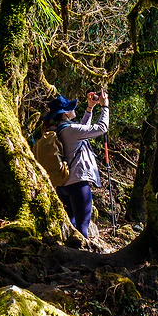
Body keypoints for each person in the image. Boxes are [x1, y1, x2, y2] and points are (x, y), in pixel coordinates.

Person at [42, 89, 109, 238]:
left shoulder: (58, 129)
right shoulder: (71, 130)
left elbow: (83, 133)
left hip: (62, 185)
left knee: (71, 225)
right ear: (65, 113)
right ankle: (81, 256)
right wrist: (105, 107)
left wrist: (90, 108)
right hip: (78, 184)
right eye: (71, 108)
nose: (74, 109)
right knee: (82, 226)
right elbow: (102, 128)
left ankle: (71, 253)